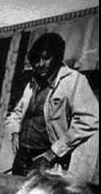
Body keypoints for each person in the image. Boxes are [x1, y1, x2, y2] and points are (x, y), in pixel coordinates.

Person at [6, 33, 99, 178]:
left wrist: (52, 153)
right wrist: (14, 133)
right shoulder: (33, 81)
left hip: (46, 158)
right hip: (21, 155)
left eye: (46, 58)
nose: (40, 64)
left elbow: (90, 120)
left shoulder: (74, 81)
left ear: (58, 57)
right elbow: (18, 112)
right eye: (36, 59)